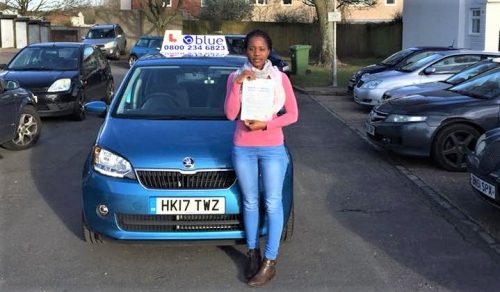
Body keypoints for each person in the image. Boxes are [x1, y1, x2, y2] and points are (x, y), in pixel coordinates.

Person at [224, 29, 299, 287]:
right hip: (243, 147)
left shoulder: (279, 79)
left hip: (272, 148)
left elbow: (292, 115)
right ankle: (253, 253)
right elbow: (230, 113)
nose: (257, 54)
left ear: (269, 51)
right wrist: (237, 85)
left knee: (273, 202)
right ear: (246, 50)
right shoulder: (235, 77)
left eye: (262, 49)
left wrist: (266, 125)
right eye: (252, 49)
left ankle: (270, 261)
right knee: (250, 202)